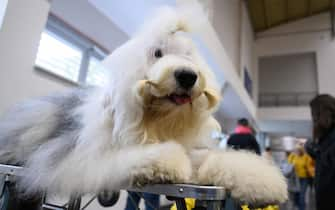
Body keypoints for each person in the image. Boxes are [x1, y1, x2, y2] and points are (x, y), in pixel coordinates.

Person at [305, 94, 335, 210]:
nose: (313, 119)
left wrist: (315, 149)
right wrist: (313, 149)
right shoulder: (326, 135)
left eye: (315, 115)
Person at [288, 145, 309, 210]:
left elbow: (309, 166)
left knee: (302, 196)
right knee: (296, 195)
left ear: (302, 150)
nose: (298, 151)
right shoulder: (294, 156)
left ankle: (302, 208)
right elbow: (289, 163)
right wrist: (292, 154)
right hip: (295, 179)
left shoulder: (306, 157)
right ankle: (298, 207)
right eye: (297, 150)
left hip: (304, 178)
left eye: (299, 150)